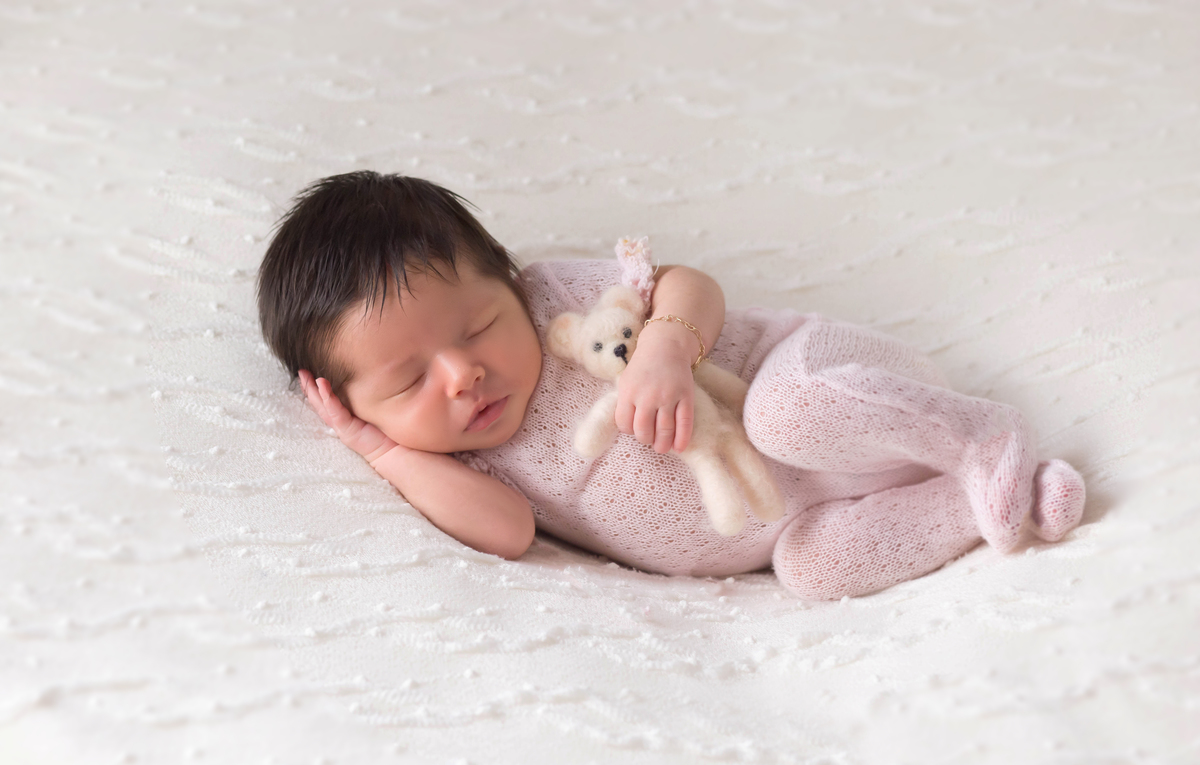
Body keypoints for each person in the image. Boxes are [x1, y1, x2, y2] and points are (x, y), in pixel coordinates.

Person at [257, 171, 1086, 600]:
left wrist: (664, 350)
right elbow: (507, 533)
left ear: (508, 281)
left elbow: (688, 284)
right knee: (813, 570)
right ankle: (988, 503)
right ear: (357, 405)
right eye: (406, 383)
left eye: (476, 328)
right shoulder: (457, 464)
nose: (462, 374)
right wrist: (381, 451)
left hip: (823, 380)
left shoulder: (555, 298)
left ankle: (978, 435)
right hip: (789, 522)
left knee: (786, 415)